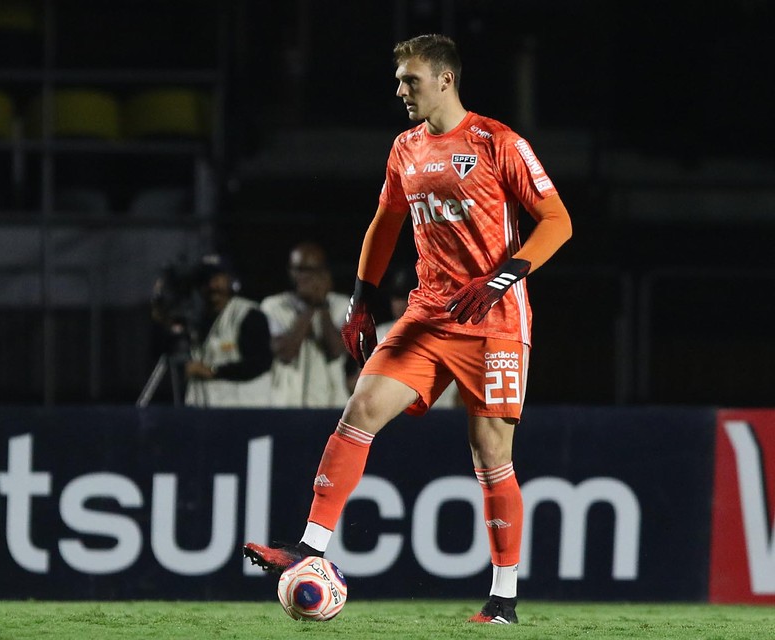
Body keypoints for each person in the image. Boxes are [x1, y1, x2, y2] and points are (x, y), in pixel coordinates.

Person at [243, 34, 572, 625]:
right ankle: (310, 547)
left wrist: (502, 279)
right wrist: (362, 300)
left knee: (491, 452)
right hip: (427, 312)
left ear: (445, 79)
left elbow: (558, 221)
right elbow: (385, 222)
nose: (401, 90)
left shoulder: (498, 143)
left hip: (494, 320)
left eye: (410, 80)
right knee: (362, 405)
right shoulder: (405, 148)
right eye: (398, 81)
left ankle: (503, 600)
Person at [260, 241, 351, 408]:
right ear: (290, 272)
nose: (305, 277)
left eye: (313, 271)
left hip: (330, 404)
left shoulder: (342, 305)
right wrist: (309, 308)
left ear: (324, 273)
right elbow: (286, 352)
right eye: (299, 270)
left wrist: (322, 305)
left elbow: (336, 350)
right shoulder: (273, 305)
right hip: (285, 404)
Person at [182, 254, 274, 407]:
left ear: (230, 280)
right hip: (209, 411)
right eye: (206, 279)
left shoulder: (247, 314)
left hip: (247, 411)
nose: (212, 285)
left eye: (218, 278)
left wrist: (213, 371)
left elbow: (260, 362)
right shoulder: (196, 321)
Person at [375, 267, 459, 408]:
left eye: (406, 296)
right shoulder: (381, 332)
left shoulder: (449, 332)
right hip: (396, 414)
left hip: (442, 414)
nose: (400, 303)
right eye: (396, 297)